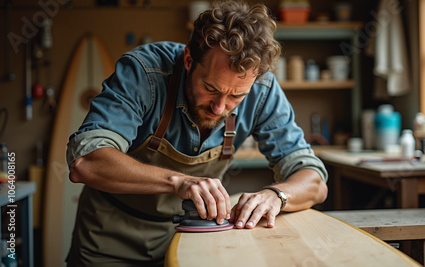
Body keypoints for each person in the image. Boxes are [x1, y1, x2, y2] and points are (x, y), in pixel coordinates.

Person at [65, 1, 328, 266]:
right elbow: (86, 162)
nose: (220, 107)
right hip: (110, 239)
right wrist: (178, 182)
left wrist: (277, 195)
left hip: (194, 240)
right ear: (189, 59)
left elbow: (314, 181)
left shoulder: (263, 89)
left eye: (237, 96)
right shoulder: (144, 72)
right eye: (210, 88)